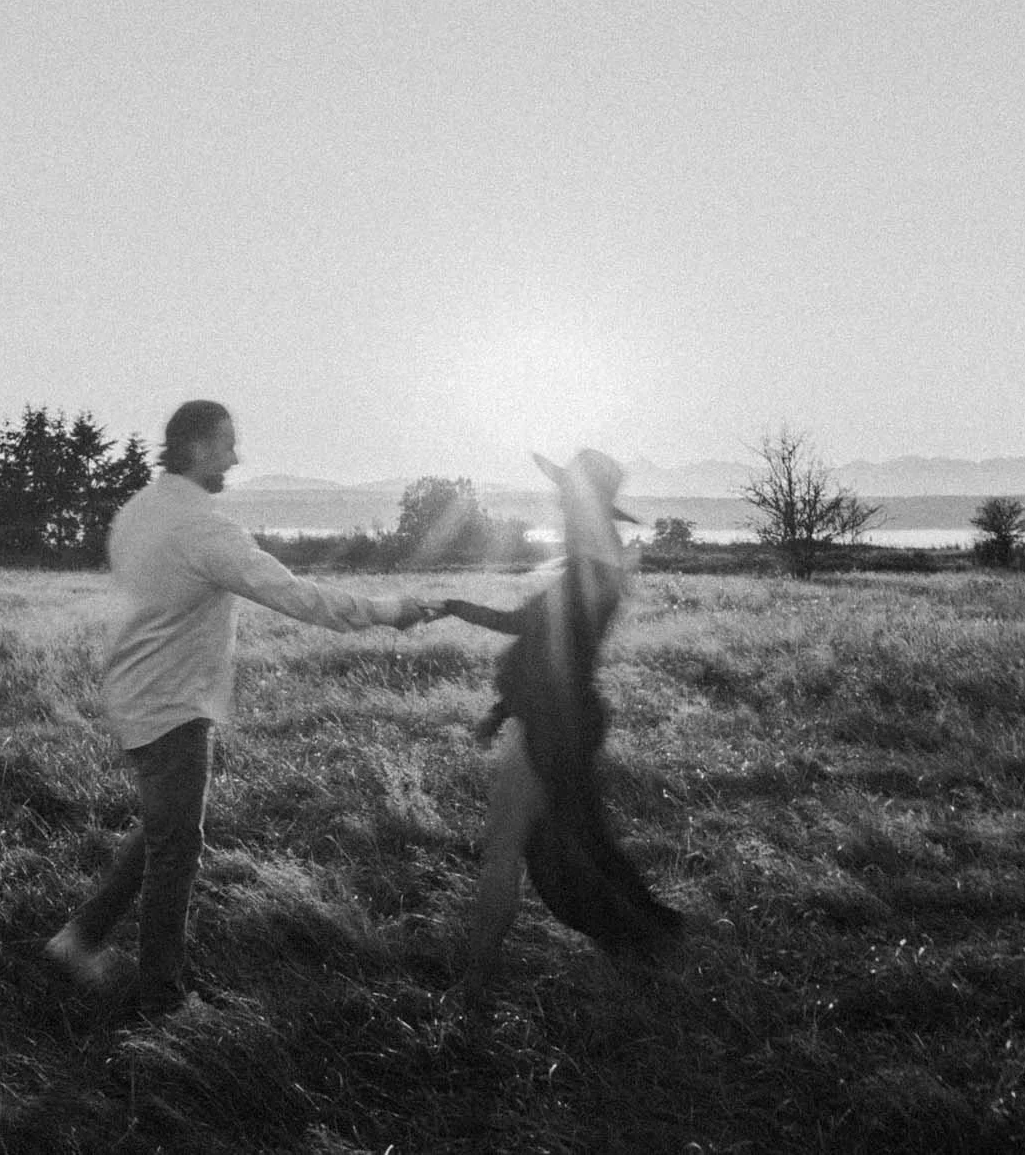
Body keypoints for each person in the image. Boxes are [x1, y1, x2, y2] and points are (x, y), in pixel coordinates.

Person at [45, 399, 437, 1017]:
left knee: (161, 831)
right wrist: (389, 610)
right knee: (177, 849)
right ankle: (161, 1000)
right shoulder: (203, 526)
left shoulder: (138, 510)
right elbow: (293, 594)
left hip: (137, 691)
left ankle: (79, 939)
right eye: (228, 443)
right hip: (171, 703)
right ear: (198, 448)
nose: (236, 456)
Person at [440, 449, 684, 994]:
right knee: (569, 844)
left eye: (565, 493)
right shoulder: (593, 561)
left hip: (558, 721)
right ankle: (643, 945)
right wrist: (502, 710)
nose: (558, 501)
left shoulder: (593, 567)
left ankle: (476, 983)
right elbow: (551, 649)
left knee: (510, 848)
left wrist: (454, 605)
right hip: (556, 715)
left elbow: (526, 625)